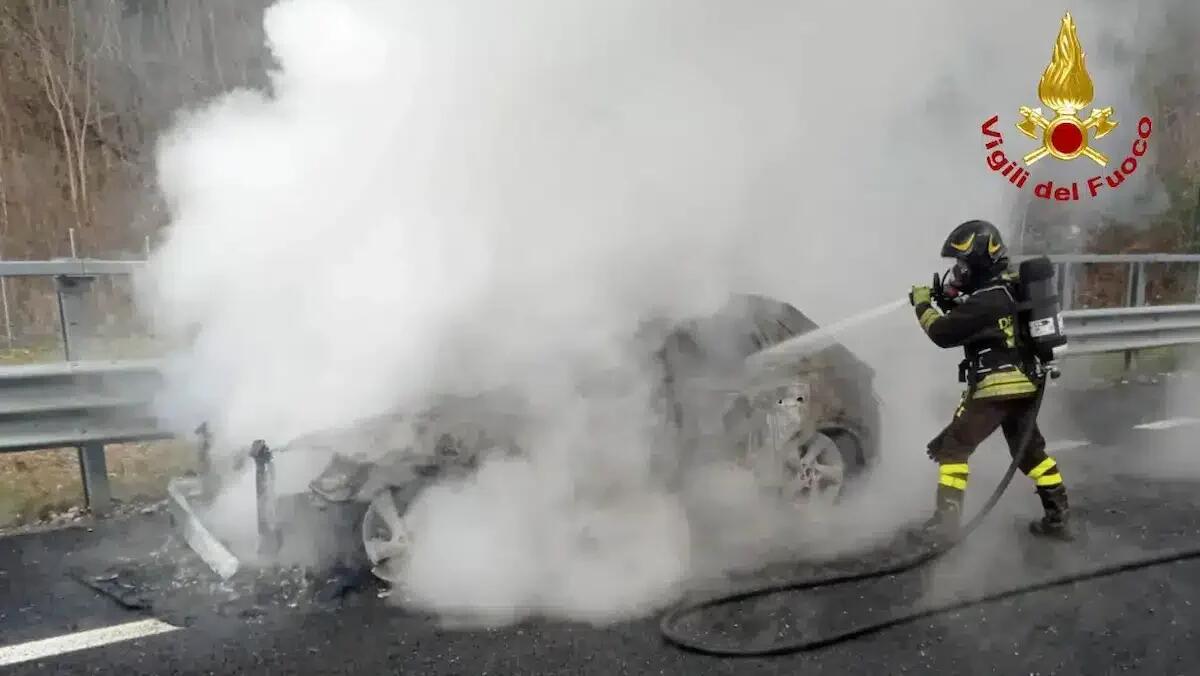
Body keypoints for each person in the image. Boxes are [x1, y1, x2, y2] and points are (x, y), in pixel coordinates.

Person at [908, 219, 1072, 541]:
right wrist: (949, 301)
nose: (958, 271)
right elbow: (973, 318)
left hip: (997, 387)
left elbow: (943, 333)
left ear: (980, 262)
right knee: (1030, 453)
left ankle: (946, 524)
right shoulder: (1002, 292)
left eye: (963, 264)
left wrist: (923, 305)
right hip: (1024, 385)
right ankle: (1058, 516)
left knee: (954, 448)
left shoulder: (987, 299)